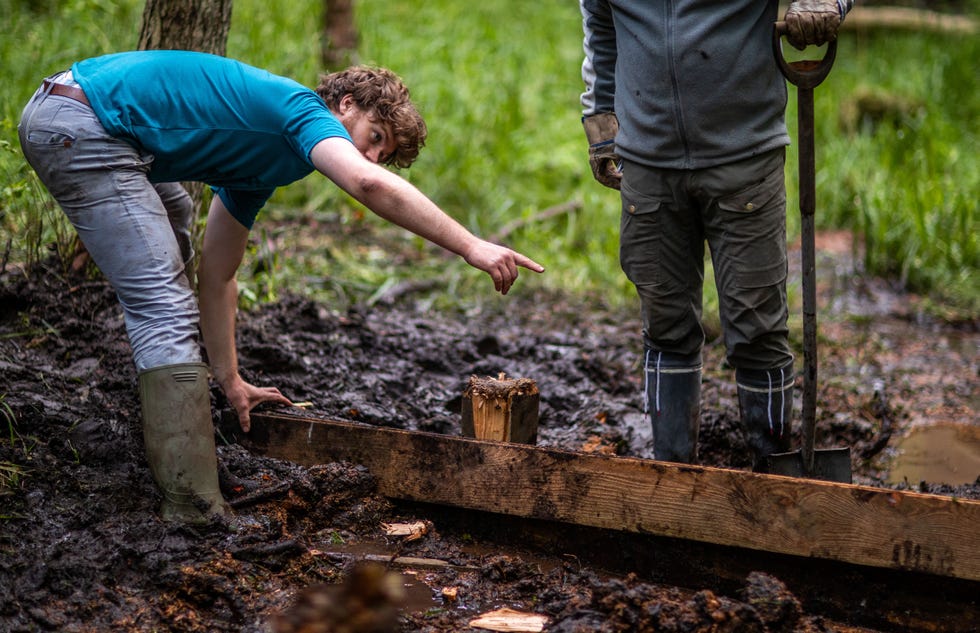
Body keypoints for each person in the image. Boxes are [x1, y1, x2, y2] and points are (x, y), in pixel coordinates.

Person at [18, 50, 544, 522]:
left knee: (176, 223)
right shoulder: (299, 112)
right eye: (374, 139)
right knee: (162, 303)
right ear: (345, 106)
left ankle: (181, 418)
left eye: (384, 155)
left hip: (98, 124)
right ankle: (192, 505)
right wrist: (471, 245)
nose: (372, 159)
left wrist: (231, 378)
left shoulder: (271, 158)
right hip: (80, 120)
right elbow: (366, 184)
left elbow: (219, 273)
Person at [579, 0, 851, 468]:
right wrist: (602, 124)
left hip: (744, 156)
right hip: (648, 162)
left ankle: (773, 473)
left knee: (757, 327)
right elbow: (602, 26)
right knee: (664, 325)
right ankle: (673, 474)